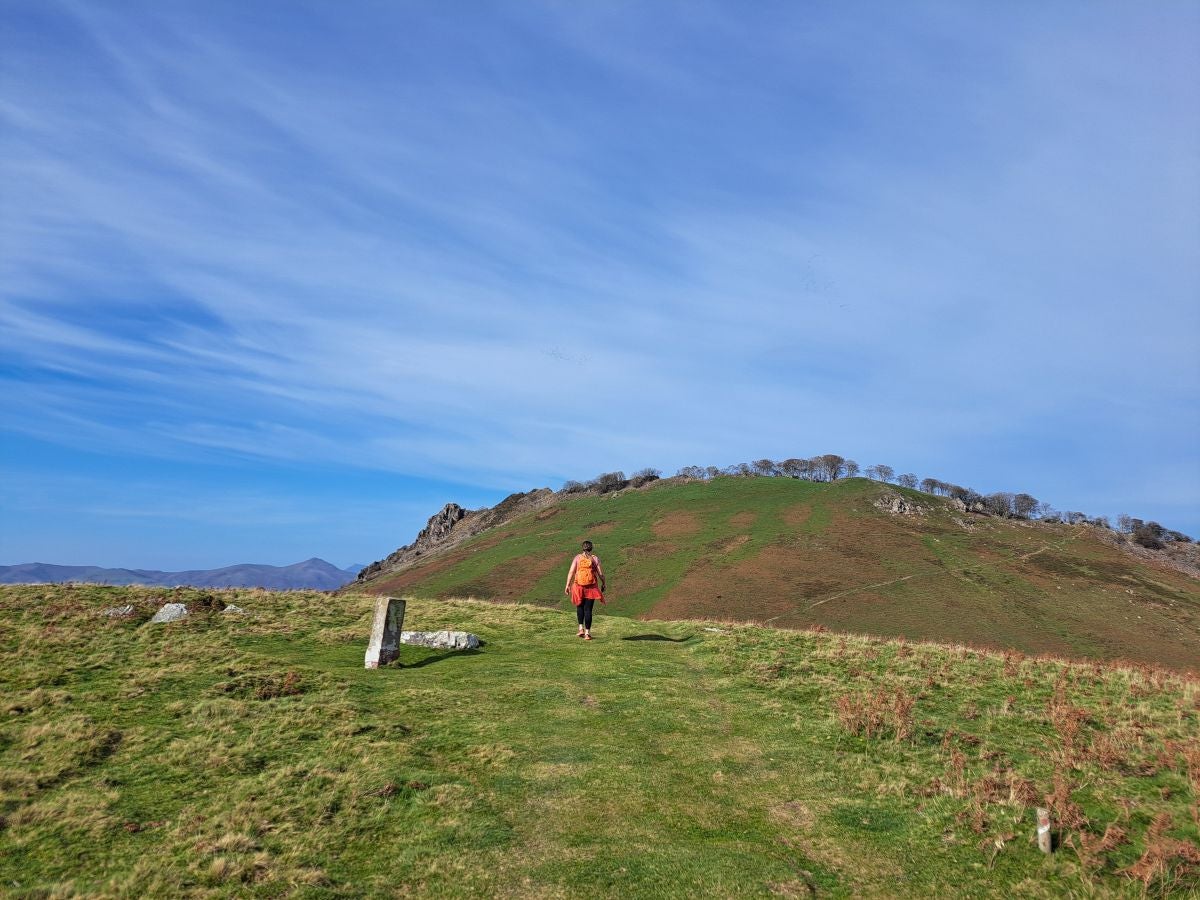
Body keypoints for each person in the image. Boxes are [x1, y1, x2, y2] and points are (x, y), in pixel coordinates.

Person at [564, 539, 605, 640]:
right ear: (591, 548)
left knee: (579, 607)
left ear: (582, 548)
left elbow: (571, 572)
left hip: (578, 586)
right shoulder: (594, 559)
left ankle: (580, 629)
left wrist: (567, 585)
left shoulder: (577, 558)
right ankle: (587, 633)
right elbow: (600, 574)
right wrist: (604, 583)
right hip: (591, 588)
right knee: (588, 610)